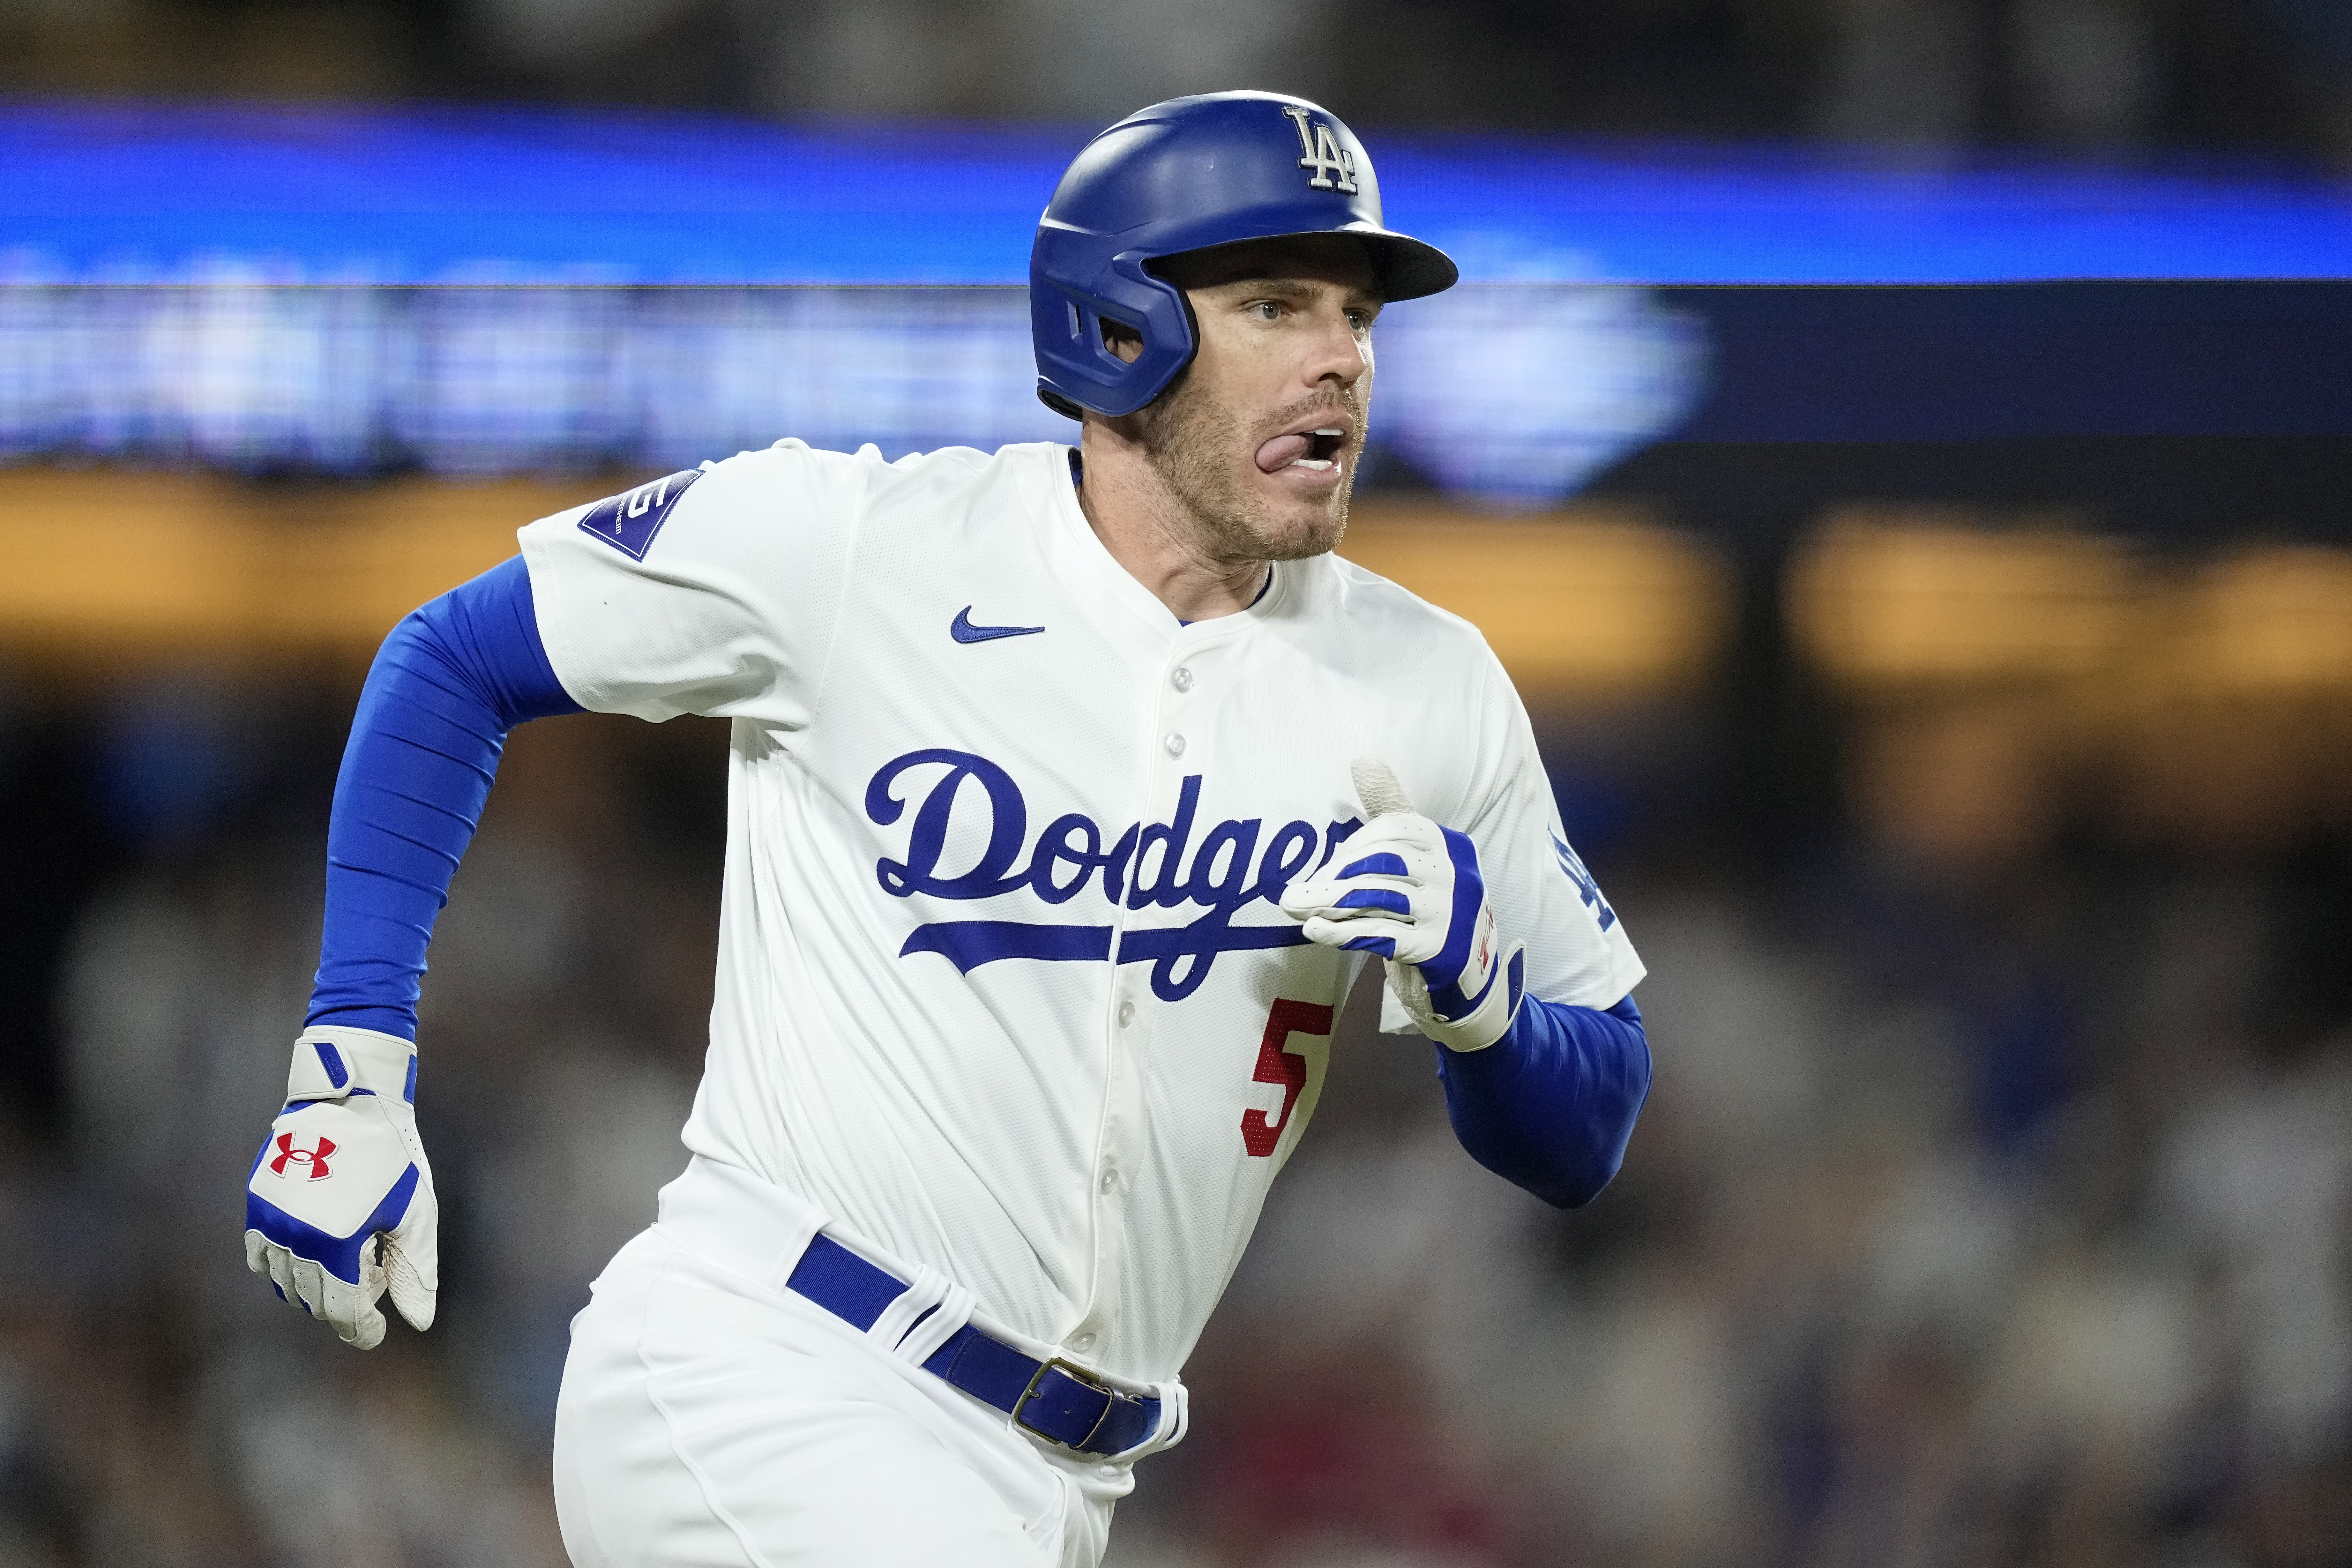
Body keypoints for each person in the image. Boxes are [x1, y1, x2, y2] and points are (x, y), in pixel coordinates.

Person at [242, 90, 1653, 1567]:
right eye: (1274, 303)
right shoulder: (859, 546)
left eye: (1359, 315)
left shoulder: (1428, 684)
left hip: (1057, 1480)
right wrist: (351, 1060)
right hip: (767, 1367)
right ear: (1120, 329)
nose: (1342, 360)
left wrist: (1483, 1006)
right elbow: (453, 656)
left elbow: (1590, 1120)